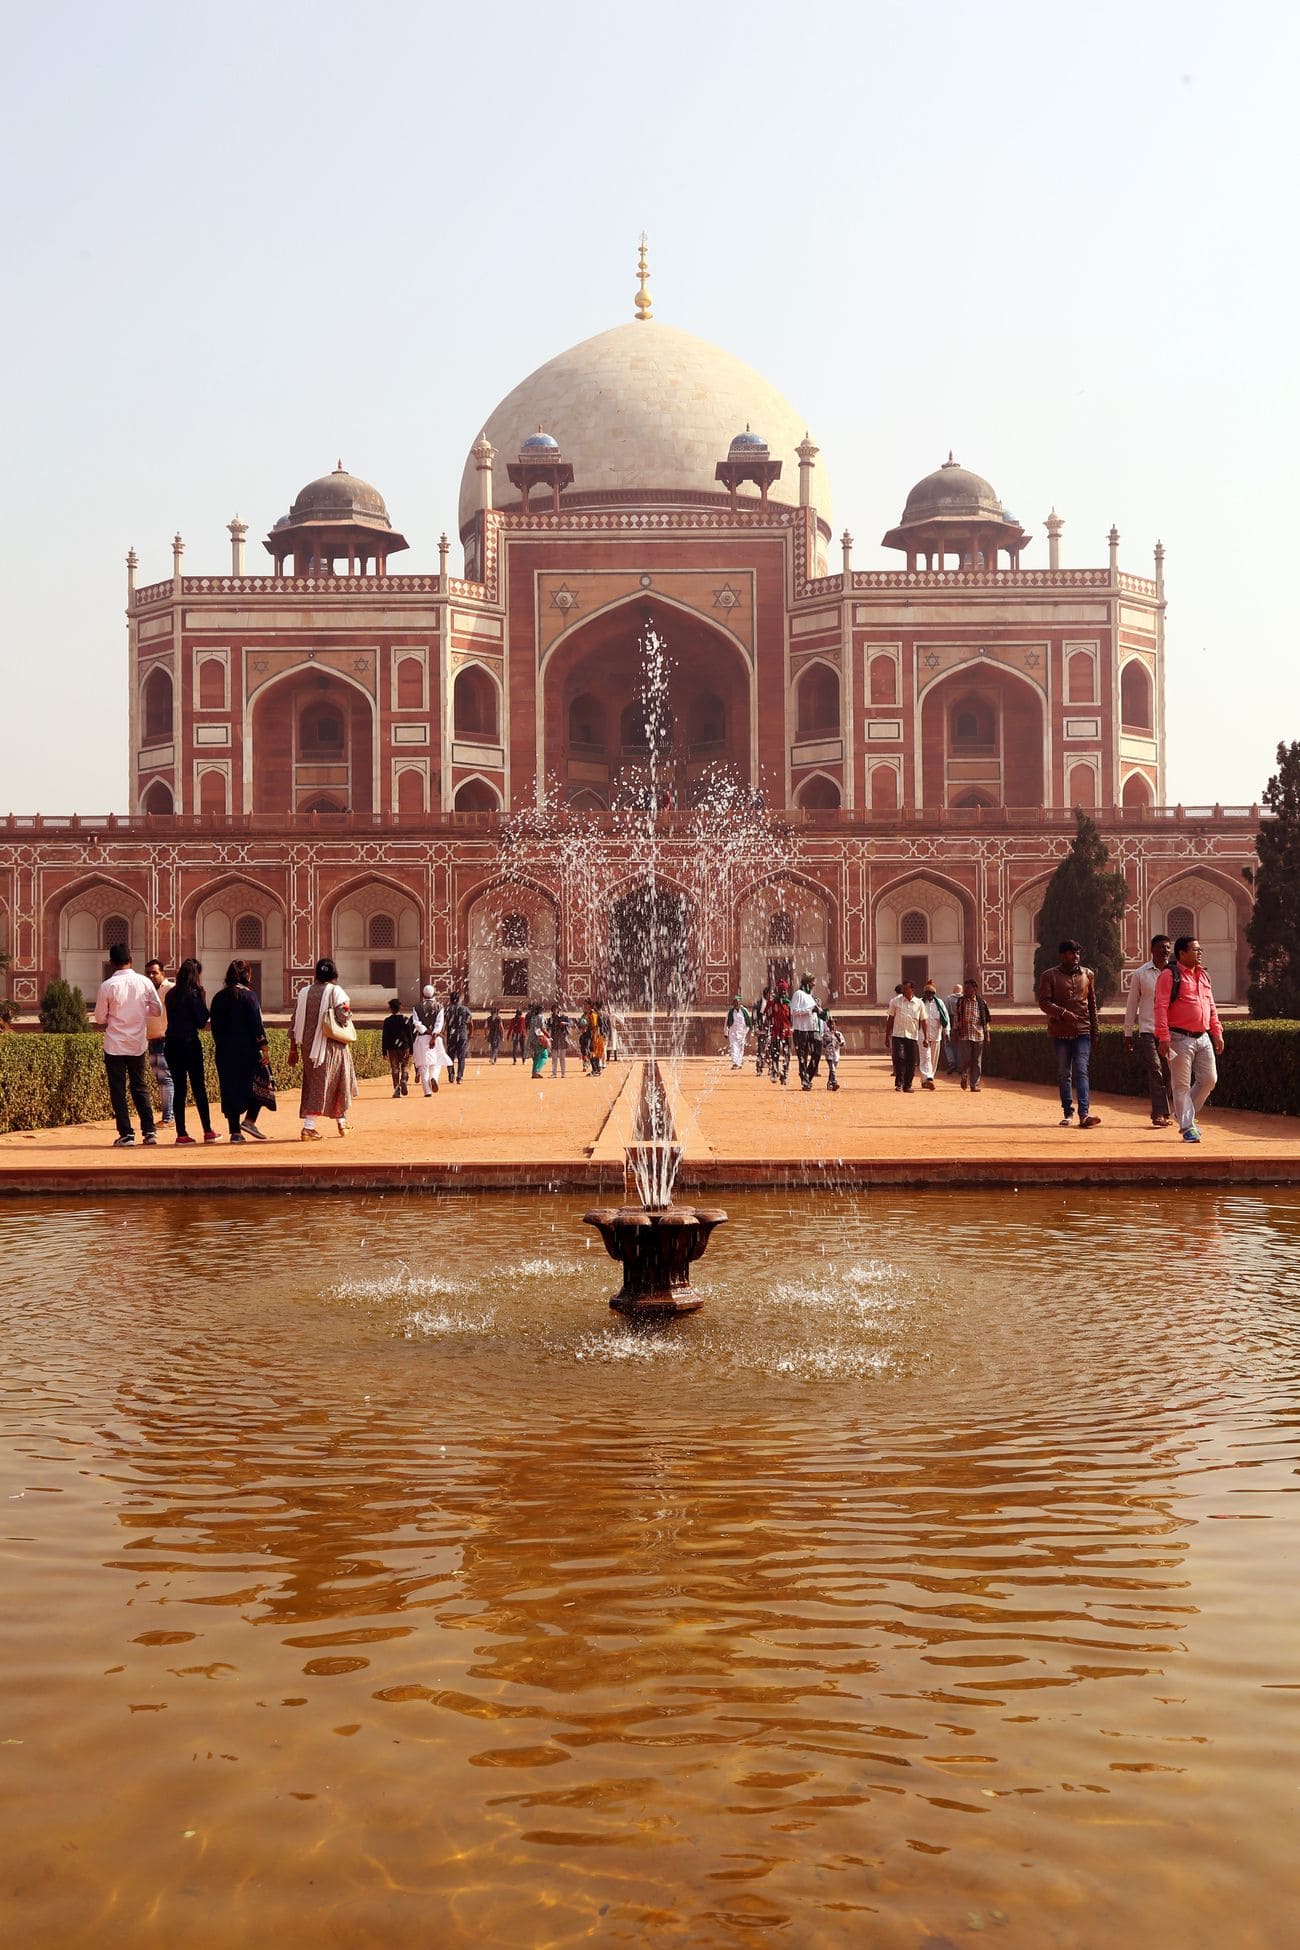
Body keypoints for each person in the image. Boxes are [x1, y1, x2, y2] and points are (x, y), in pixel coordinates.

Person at [1155, 935, 1224, 1144]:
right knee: (1181, 1085)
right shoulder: (1169, 975)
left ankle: (1183, 1115)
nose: (1200, 953)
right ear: (1182, 953)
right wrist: (1163, 1036)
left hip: (1202, 1037)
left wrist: (1217, 1032)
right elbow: (1160, 1007)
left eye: (1200, 950)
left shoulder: (1203, 975)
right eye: (1195, 950)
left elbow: (1210, 1006)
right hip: (1178, 1037)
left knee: (1209, 1079)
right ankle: (1187, 1127)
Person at [93, 942, 162, 1147]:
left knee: (118, 1090)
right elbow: (157, 1010)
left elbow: (99, 1018)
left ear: (112, 963)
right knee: (140, 1086)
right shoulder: (144, 982)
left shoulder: (107, 986)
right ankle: (149, 1131)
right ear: (131, 960)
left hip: (114, 1044)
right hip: (137, 1043)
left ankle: (126, 1134)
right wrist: (141, 1011)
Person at [289, 956, 358, 1139]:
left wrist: (293, 1049)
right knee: (325, 1085)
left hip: (307, 1047)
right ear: (334, 973)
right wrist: (348, 1013)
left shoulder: (303, 992)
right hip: (331, 1046)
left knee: (324, 1084)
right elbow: (343, 1017)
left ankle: (342, 1123)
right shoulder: (336, 991)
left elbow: (294, 1022)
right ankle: (308, 1127)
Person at [1038, 938, 1101, 1128]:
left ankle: (1084, 1114)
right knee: (1064, 1073)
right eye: (1072, 953)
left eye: (1078, 953)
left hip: (1083, 1031)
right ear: (1062, 955)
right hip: (1060, 1032)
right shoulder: (1049, 976)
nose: (1076, 957)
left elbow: (1092, 1004)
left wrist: (1095, 1030)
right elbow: (1044, 1002)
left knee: (1081, 1070)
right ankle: (1068, 1112)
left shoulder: (1087, 974)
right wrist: (1063, 1013)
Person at [209, 959, 270, 1141]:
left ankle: (235, 1132)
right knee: (263, 1081)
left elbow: (215, 1027)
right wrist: (264, 1047)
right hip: (247, 1051)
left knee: (230, 1089)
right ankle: (250, 1120)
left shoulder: (218, 997)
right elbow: (256, 1025)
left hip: (224, 1051)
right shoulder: (249, 996)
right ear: (247, 975)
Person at [164, 957, 219, 1145]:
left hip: (171, 1043)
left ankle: (181, 1133)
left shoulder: (170, 994)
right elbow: (202, 1022)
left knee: (179, 1089)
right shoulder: (193, 994)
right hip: (189, 1043)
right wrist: (203, 1000)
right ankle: (207, 1130)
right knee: (198, 1088)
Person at [1124, 933, 1175, 1127]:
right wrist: (1128, 1033)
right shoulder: (1141, 973)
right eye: (1162, 947)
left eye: (1168, 948)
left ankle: (1165, 1111)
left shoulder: (1174, 973)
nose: (1166, 951)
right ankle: (1157, 1114)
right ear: (1152, 949)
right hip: (1147, 1030)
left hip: (1169, 1032)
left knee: (1170, 1072)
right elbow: (1131, 1005)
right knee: (1156, 1069)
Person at [144, 958, 174, 1127]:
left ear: (163, 973)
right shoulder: (146, 991)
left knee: (166, 1079)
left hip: (164, 1040)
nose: (151, 976)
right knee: (161, 1079)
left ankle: (168, 1117)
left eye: (155, 972)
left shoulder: (170, 989)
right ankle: (168, 1116)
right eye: (148, 973)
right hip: (151, 1040)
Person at [886, 979, 926, 1092]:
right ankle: (899, 1082)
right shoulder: (895, 1001)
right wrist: (887, 1036)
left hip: (912, 1035)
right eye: (902, 988)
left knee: (911, 1060)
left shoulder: (919, 1003)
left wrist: (926, 1037)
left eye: (905, 989)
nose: (903, 990)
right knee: (899, 1058)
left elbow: (923, 1020)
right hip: (898, 1034)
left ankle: (907, 1085)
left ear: (912, 989)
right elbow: (890, 1019)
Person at [953, 975, 991, 1091]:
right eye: (965, 988)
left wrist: (987, 1035)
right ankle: (964, 1075)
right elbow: (956, 1018)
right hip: (964, 1035)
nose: (965, 990)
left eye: (968, 988)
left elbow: (986, 1020)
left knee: (976, 1060)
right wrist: (954, 1032)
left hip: (978, 1035)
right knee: (966, 1059)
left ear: (974, 989)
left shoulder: (981, 1003)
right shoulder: (960, 1002)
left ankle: (974, 1084)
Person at [411, 985, 446, 1096]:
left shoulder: (417, 1007)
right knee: (437, 1062)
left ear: (422, 995)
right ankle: (434, 1077)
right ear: (434, 994)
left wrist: (427, 1032)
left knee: (423, 1066)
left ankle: (427, 1091)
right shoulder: (439, 1006)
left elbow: (417, 1024)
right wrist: (434, 1036)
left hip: (422, 1038)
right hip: (436, 1039)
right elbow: (439, 1023)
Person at [917, 980, 950, 1092]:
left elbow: (946, 1018)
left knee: (933, 1058)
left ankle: (926, 1080)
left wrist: (947, 1032)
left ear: (934, 993)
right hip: (922, 1034)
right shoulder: (920, 1003)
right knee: (925, 1057)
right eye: (927, 993)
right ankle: (928, 1078)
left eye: (931, 993)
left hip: (936, 1034)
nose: (929, 995)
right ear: (924, 993)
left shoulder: (939, 1003)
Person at [790, 973, 820, 1090]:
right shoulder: (798, 994)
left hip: (812, 1029)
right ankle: (805, 1081)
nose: (814, 984)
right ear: (808, 983)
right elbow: (794, 1011)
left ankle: (806, 1075)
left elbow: (813, 1012)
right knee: (802, 1057)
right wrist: (810, 1009)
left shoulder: (810, 996)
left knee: (816, 1054)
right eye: (813, 982)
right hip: (801, 1030)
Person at [382, 997, 414, 1097]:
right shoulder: (405, 1019)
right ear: (400, 1008)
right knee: (405, 1065)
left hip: (392, 1047)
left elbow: (385, 1037)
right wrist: (411, 1048)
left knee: (394, 1068)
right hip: (404, 1046)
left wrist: (384, 1051)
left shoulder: (387, 1021)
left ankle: (397, 1089)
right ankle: (404, 1079)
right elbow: (410, 1035)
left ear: (391, 1009)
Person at [443, 990, 471, 1084]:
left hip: (451, 1035)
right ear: (459, 999)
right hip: (462, 1035)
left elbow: (444, 1023)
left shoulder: (447, 1009)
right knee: (461, 1057)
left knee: (450, 1056)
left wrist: (443, 1032)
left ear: (450, 1000)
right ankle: (460, 1077)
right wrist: (469, 1033)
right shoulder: (465, 1009)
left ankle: (451, 1074)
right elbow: (470, 1023)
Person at [768, 980, 792, 1084]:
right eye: (781, 990)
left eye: (784, 990)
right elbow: (768, 1016)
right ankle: (774, 1071)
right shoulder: (773, 1003)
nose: (783, 992)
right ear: (778, 991)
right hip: (776, 1031)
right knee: (774, 1053)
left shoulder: (789, 1003)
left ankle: (784, 1074)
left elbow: (792, 1018)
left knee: (787, 1054)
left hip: (786, 1032)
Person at [725, 994, 751, 1069]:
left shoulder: (744, 1011)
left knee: (740, 1048)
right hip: (733, 1032)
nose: (735, 1003)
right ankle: (735, 1063)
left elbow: (748, 1022)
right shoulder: (730, 1012)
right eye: (734, 1002)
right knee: (733, 1047)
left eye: (737, 1002)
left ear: (740, 1003)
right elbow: (727, 1023)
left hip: (742, 1032)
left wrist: (748, 1033)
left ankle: (739, 1063)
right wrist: (726, 1032)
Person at [820, 1010, 844, 1091]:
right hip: (829, 1054)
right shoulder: (826, 1034)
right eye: (830, 1024)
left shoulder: (839, 1034)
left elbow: (842, 1044)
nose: (832, 1026)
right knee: (832, 1068)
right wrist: (826, 1042)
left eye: (833, 1024)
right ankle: (834, 1082)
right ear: (828, 1025)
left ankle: (829, 1083)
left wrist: (837, 1036)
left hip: (836, 1055)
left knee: (832, 1070)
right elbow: (823, 1045)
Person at [548, 1001, 572, 1079]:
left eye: (556, 1009)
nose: (555, 1010)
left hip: (562, 1039)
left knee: (562, 1058)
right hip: (554, 1039)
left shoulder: (564, 1017)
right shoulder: (551, 1019)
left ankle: (563, 1073)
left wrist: (564, 1023)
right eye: (554, 1009)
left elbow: (570, 1023)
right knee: (554, 1058)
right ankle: (554, 1073)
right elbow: (548, 1027)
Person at [753, 984, 772, 1077]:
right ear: (766, 994)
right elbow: (755, 1017)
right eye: (769, 994)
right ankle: (759, 1068)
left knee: (769, 1050)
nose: (771, 995)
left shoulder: (772, 1003)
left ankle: (770, 1068)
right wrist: (755, 1027)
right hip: (762, 1030)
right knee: (761, 1049)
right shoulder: (759, 1004)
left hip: (770, 1030)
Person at [944, 984, 963, 1075]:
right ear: (961, 990)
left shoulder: (948, 999)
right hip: (961, 1024)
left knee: (948, 1044)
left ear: (953, 990)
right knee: (960, 1045)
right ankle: (959, 1066)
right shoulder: (964, 999)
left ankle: (952, 1063)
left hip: (951, 1022)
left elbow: (946, 1013)